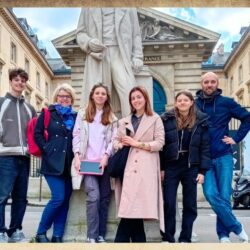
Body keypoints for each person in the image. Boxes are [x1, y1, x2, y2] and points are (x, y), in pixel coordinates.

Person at [196, 71, 250, 243]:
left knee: (225, 196)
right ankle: (237, 227)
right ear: (202, 84)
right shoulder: (194, 105)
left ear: (217, 84)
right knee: (211, 194)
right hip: (204, 159)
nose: (209, 85)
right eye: (206, 82)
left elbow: (247, 118)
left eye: (212, 82)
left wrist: (236, 138)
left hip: (223, 156)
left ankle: (223, 235)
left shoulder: (226, 103)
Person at [113, 86, 165, 242]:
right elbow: (115, 141)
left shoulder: (155, 119)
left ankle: (119, 242)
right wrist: (120, 144)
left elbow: (160, 143)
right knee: (133, 210)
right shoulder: (125, 121)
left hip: (145, 168)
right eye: (133, 98)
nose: (136, 100)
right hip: (127, 167)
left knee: (134, 209)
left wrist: (137, 143)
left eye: (139, 97)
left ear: (145, 98)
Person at [160, 90, 210, 243]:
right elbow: (161, 145)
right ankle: (168, 237)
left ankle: (185, 237)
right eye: (179, 100)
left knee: (190, 204)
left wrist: (202, 171)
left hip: (190, 166)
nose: (182, 102)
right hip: (171, 165)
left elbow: (205, 147)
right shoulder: (166, 119)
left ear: (191, 102)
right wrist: (161, 168)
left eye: (185, 100)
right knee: (168, 202)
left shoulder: (201, 120)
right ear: (175, 103)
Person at [76, 8, 143, 116]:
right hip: (98, 56)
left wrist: (138, 56)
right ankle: (97, 128)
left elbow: (136, 34)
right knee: (98, 95)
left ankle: (132, 127)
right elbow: (80, 33)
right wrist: (89, 42)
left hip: (121, 53)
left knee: (129, 91)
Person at [72, 83, 117, 243]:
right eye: (97, 93)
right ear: (92, 95)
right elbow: (76, 135)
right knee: (94, 197)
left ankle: (100, 234)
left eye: (103, 93)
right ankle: (91, 235)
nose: (100, 96)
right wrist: (77, 156)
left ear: (106, 97)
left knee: (105, 199)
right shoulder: (83, 114)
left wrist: (106, 156)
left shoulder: (112, 117)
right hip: (87, 163)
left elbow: (114, 140)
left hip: (104, 164)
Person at [34, 83, 77, 243]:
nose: (64, 99)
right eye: (61, 96)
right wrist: (47, 149)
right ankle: (40, 232)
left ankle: (57, 235)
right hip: (52, 163)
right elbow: (37, 134)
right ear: (56, 98)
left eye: (67, 96)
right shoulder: (47, 113)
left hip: (69, 165)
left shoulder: (76, 116)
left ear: (72, 99)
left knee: (65, 201)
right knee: (58, 198)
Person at [0, 68, 36, 243]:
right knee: (2, 195)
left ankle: (15, 231)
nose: (20, 83)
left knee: (21, 197)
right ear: (11, 81)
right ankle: (0, 231)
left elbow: (35, 133)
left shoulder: (30, 108)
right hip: (5, 157)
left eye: (23, 80)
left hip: (25, 157)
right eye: (17, 80)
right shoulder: (1, 103)